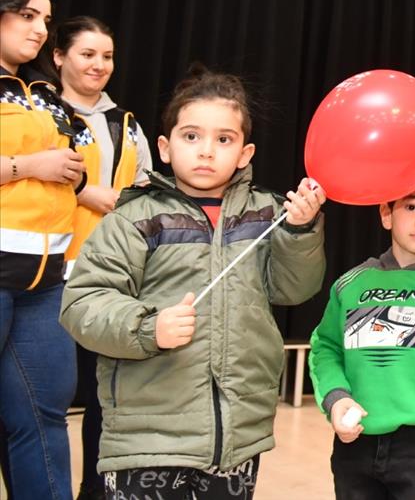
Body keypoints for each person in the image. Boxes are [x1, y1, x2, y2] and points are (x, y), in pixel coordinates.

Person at [59, 66, 327, 499]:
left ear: (245, 153)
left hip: (236, 440)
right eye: (191, 136)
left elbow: (293, 289)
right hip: (147, 440)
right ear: (164, 147)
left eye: (224, 139)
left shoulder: (267, 213)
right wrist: (149, 328)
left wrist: (299, 232)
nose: (206, 151)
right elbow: (82, 303)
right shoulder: (135, 218)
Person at [309, 167, 415, 500]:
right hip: (354, 446)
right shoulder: (351, 283)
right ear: (386, 214)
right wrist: (336, 398)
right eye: (411, 206)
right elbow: (326, 348)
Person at [54, 16, 153, 500]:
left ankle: (94, 490)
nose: (98, 65)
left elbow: (146, 196)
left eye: (107, 56)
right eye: (87, 54)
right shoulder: (38, 112)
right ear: (58, 57)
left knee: (102, 399)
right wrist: (84, 191)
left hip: (111, 281)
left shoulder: (129, 126)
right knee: (40, 402)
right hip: (46, 276)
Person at [0, 0, 85, 500]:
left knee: (43, 416)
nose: (39, 30)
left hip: (48, 278)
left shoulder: (46, 93)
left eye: (46, 20)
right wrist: (31, 163)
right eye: (28, 15)